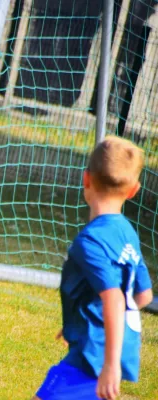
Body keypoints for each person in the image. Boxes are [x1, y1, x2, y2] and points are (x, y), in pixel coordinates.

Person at [34, 136, 154, 400]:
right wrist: (81, 322)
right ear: (134, 190)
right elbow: (143, 295)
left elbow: (113, 297)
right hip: (113, 347)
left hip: (95, 353)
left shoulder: (89, 241)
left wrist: (109, 365)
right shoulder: (127, 233)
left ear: (86, 179)